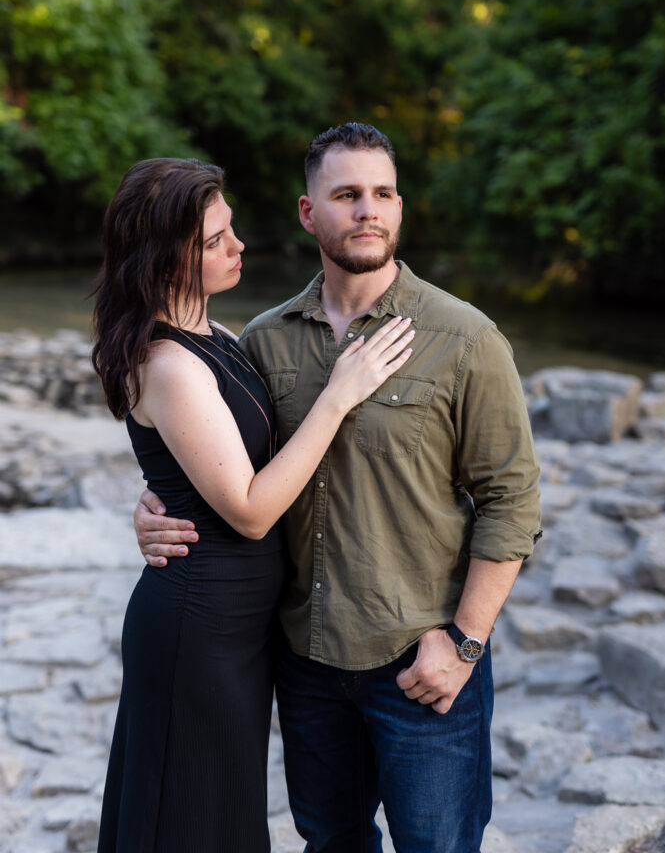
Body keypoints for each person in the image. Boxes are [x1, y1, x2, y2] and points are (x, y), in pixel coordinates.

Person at [134, 125, 542, 853]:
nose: (368, 211)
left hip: (420, 661)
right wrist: (154, 510)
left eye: (382, 194)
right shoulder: (260, 339)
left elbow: (510, 501)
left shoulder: (464, 338)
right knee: (330, 844)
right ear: (307, 212)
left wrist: (465, 643)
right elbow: (226, 466)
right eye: (347, 195)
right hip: (304, 663)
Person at [92, 156, 415, 853]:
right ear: (162, 256)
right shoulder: (168, 362)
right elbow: (247, 509)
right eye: (214, 241)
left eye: (230, 230)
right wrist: (341, 391)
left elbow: (214, 463)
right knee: (188, 818)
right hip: (196, 628)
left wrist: (151, 502)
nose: (238, 247)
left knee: (222, 812)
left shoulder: (221, 338)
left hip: (237, 627)